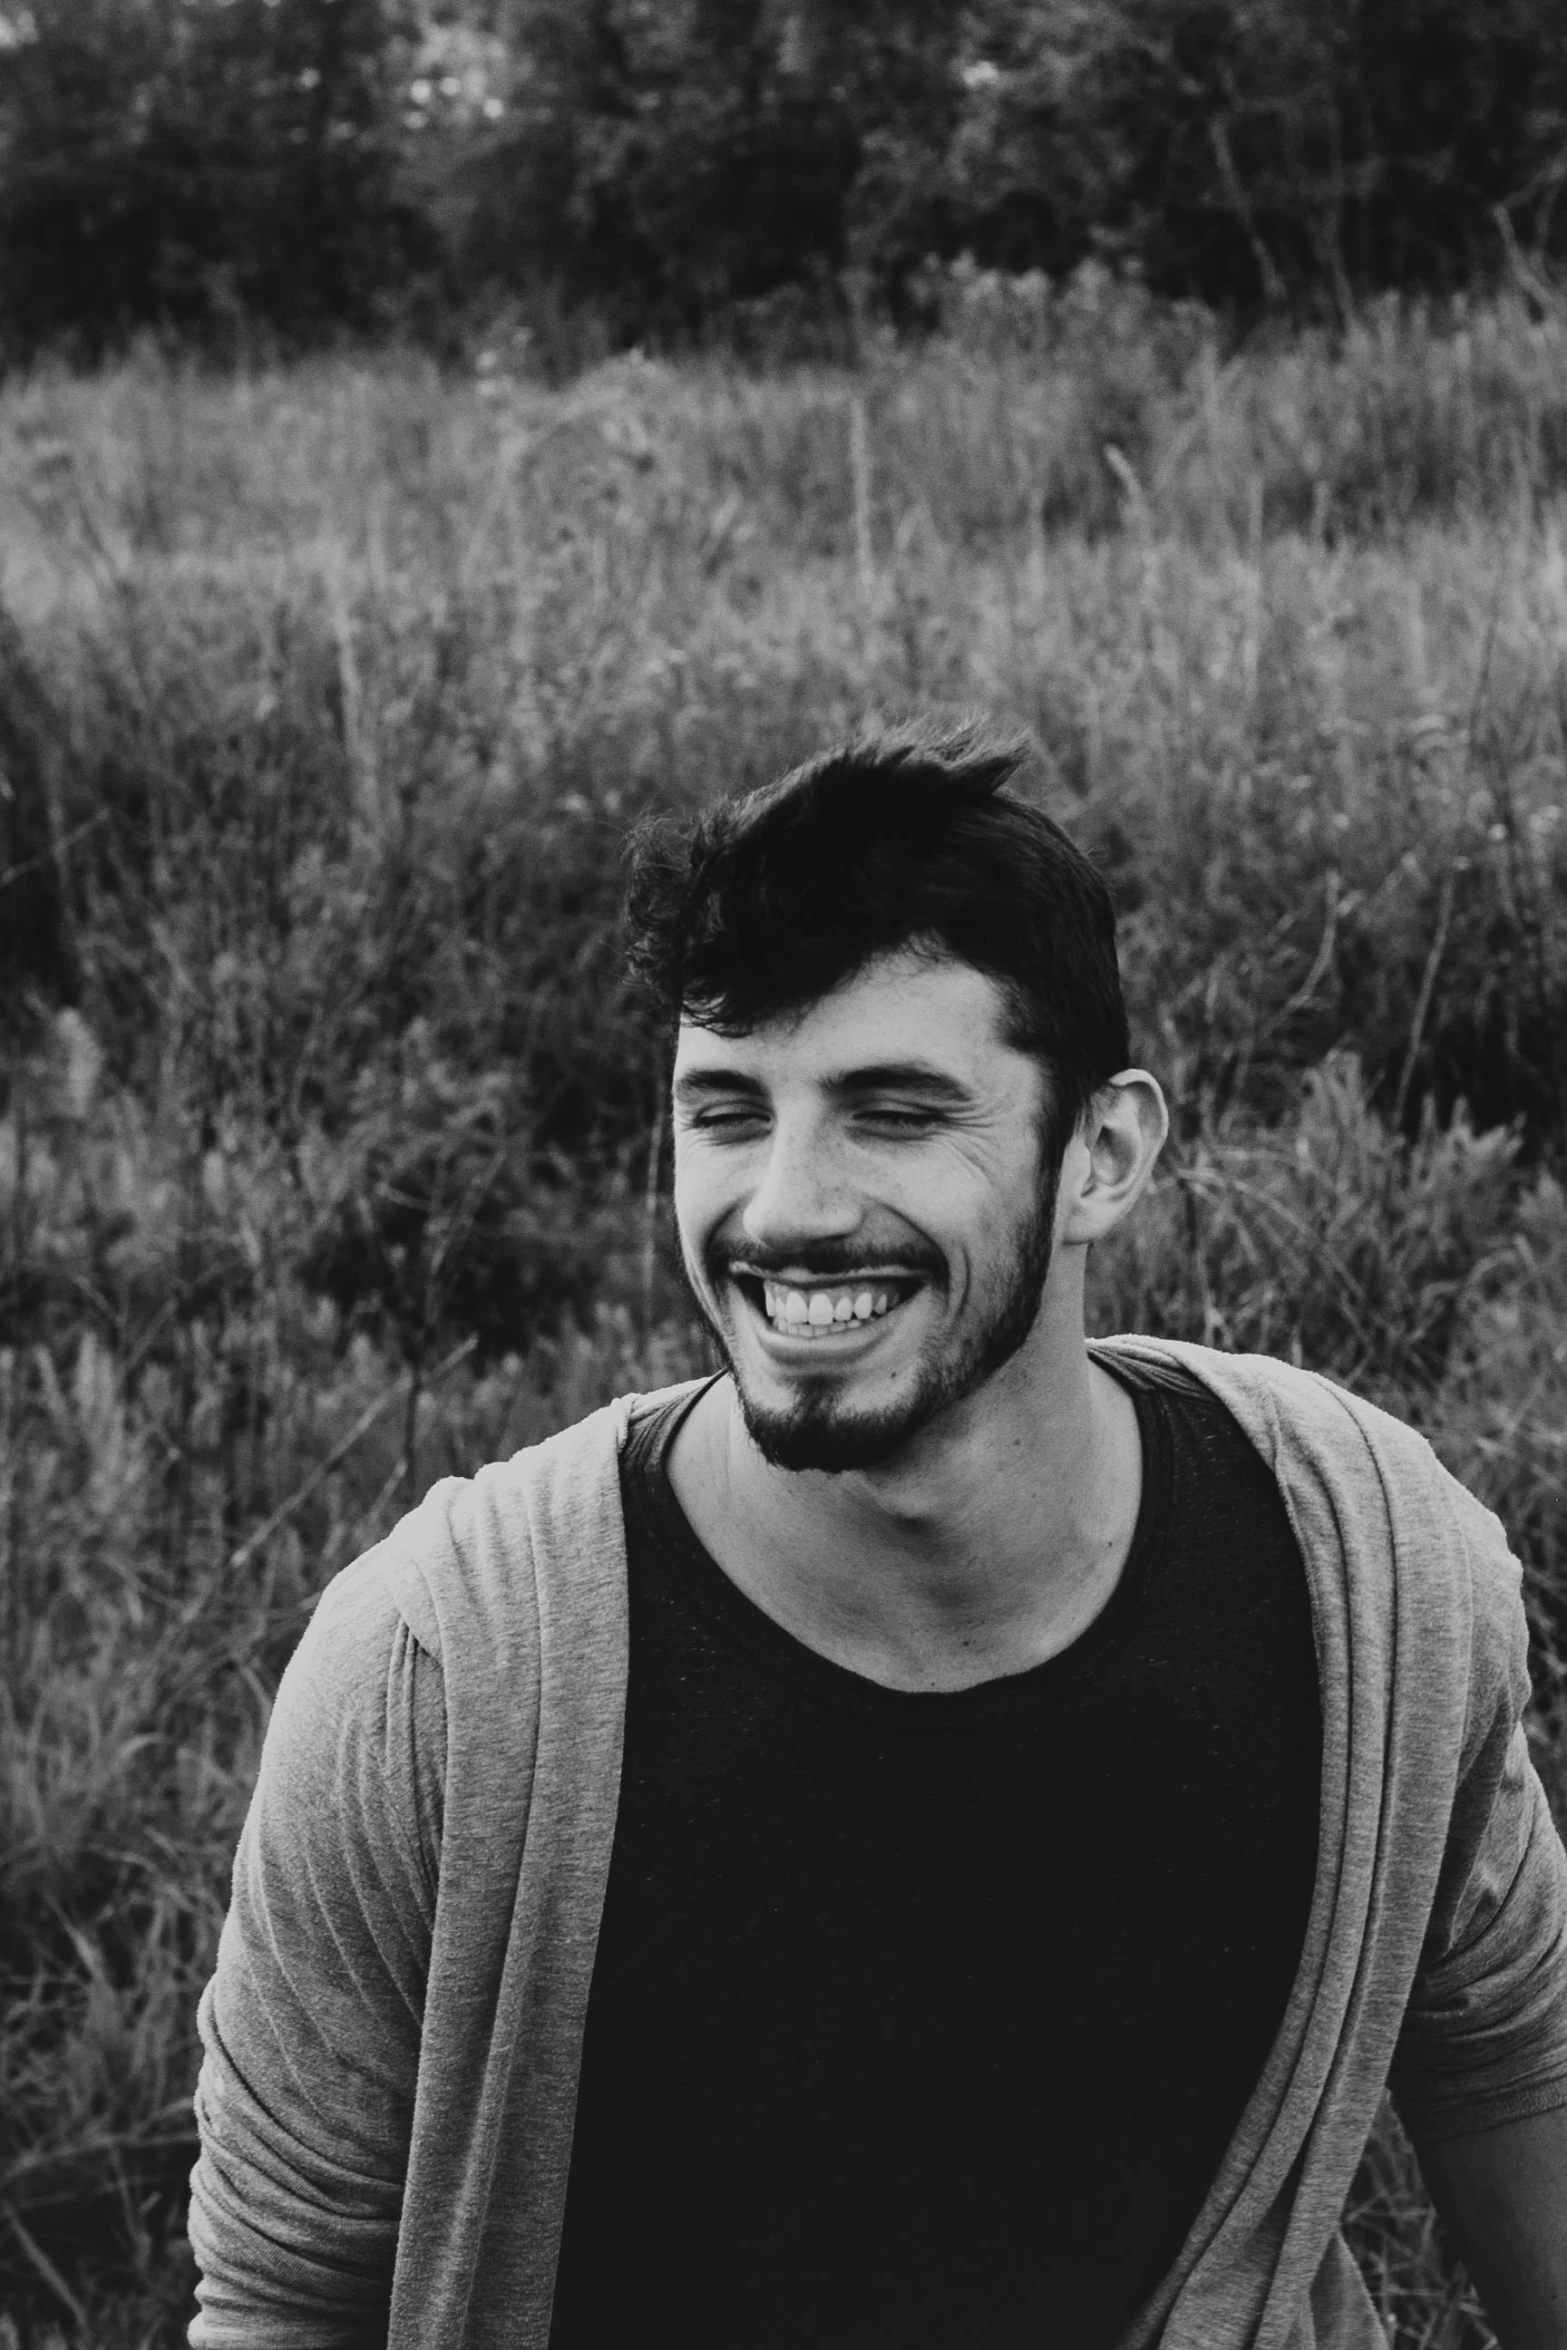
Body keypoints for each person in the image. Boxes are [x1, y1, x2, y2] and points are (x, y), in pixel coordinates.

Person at [189, 718, 1567, 2350]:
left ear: (1103, 1155)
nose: (782, 1205)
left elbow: (1503, 2043)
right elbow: (283, 2305)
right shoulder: (443, 1676)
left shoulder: (1372, 1569)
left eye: (892, 1109)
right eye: (723, 1111)